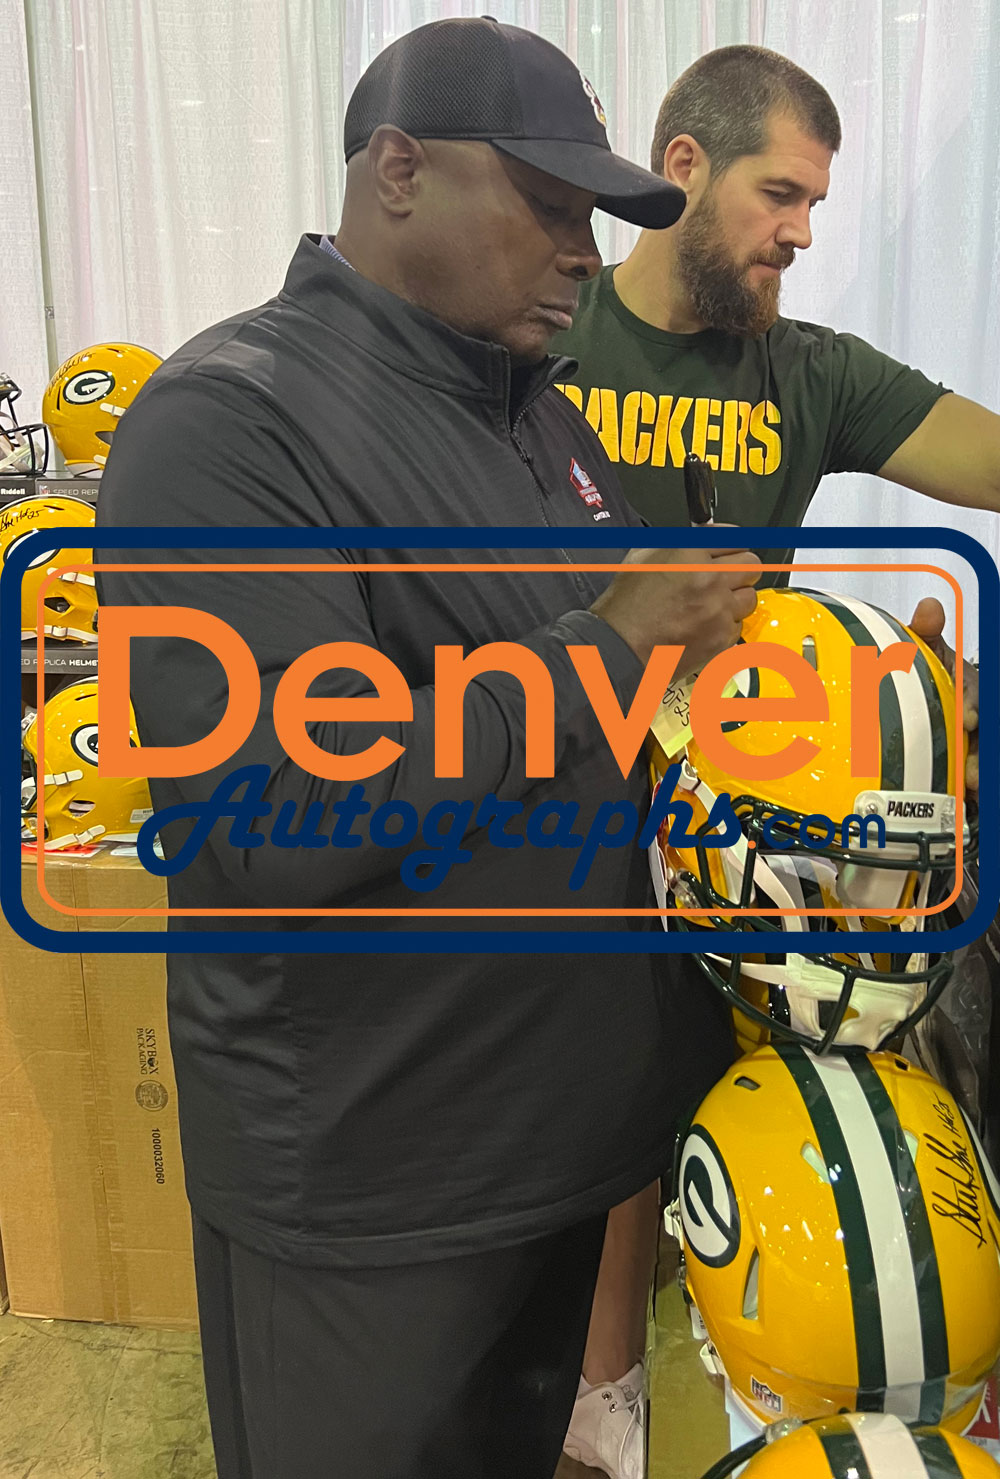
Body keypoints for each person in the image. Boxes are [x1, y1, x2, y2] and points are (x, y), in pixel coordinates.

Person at [94, 19, 760, 1479]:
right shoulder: (227, 428)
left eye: (596, 213)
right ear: (397, 171)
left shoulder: (540, 418)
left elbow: (581, 719)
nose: (586, 250)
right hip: (370, 1191)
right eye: (551, 203)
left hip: (551, 1152)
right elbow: (275, 810)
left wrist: (777, 710)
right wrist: (609, 645)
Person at [555, 44, 996, 1479]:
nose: (802, 230)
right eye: (781, 194)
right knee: (610, 1125)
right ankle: (605, 1412)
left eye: (815, 202)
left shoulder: (806, 370)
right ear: (682, 167)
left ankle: (793, 1398)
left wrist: (908, 691)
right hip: (560, 789)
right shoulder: (547, 344)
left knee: (806, 1095)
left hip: (753, 827)